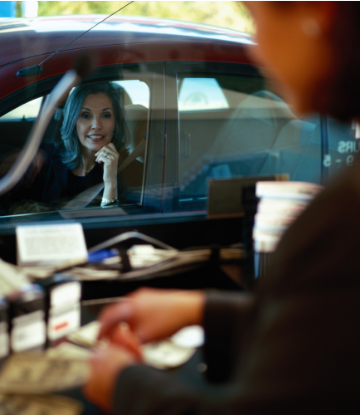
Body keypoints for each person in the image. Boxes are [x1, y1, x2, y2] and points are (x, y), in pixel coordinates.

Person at [84, 2, 360, 414]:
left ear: (317, 12)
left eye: (256, 18)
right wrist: (199, 309)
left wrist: (124, 385)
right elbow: (325, 331)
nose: (257, 49)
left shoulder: (344, 213)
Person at [10, 81, 126, 212]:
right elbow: (12, 207)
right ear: (73, 120)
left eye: (106, 115)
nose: (96, 125)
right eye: (85, 115)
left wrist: (110, 182)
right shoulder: (45, 155)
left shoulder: (125, 169)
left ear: (115, 122)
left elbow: (113, 223)